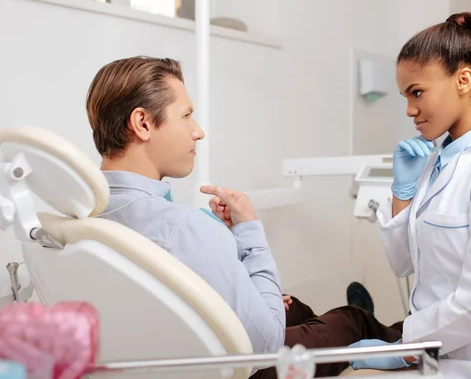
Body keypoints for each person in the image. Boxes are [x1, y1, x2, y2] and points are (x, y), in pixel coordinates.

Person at [84, 56, 405, 378]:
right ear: (142, 123)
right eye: (186, 116)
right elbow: (266, 344)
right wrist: (249, 231)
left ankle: (330, 323)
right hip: (238, 367)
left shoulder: (84, 219)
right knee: (352, 319)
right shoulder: (182, 226)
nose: (198, 132)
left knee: (295, 309)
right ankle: (407, 339)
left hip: (154, 354)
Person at [349, 12, 471, 378]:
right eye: (405, 96)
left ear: (464, 80)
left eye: (417, 92)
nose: (410, 110)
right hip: (438, 349)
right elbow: (402, 263)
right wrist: (402, 191)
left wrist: (405, 348)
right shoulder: (438, 161)